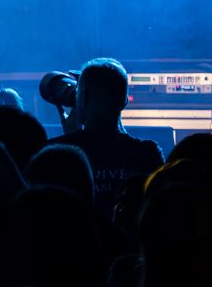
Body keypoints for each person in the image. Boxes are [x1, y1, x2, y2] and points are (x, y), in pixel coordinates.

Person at [56, 57, 163, 226]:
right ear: (125, 101)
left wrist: (71, 141)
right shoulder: (148, 153)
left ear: (83, 97)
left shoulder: (57, 155)